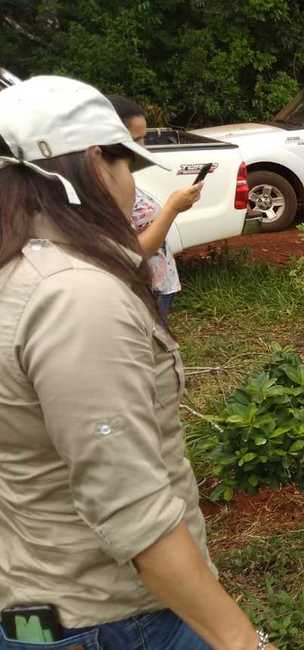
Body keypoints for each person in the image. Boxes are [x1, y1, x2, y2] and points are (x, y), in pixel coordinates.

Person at [0, 77, 276, 649]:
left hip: (42, 595)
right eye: (127, 166)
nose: (131, 185)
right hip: (115, 617)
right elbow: (134, 513)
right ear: (96, 164)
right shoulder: (75, 300)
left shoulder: (21, 272)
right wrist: (241, 641)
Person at [107, 95, 202, 321]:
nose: (143, 148)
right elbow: (135, 252)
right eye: (135, 140)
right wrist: (172, 209)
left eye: (144, 139)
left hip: (157, 286)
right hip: (141, 290)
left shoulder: (122, 177)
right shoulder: (106, 187)